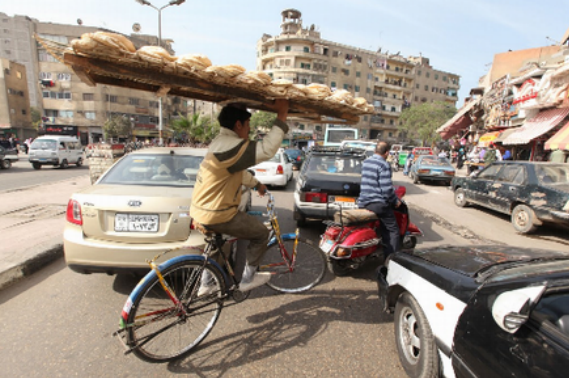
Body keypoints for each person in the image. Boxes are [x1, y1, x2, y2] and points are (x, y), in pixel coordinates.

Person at [190, 100, 289, 295]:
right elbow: (267, 150)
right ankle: (248, 279)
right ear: (238, 125)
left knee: (218, 244)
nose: (249, 131)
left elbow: (238, 173)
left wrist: (257, 184)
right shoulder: (232, 146)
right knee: (261, 233)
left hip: (200, 210)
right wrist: (282, 117)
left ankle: (206, 283)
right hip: (217, 213)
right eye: (248, 126)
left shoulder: (219, 143)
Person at [357, 141, 401, 263]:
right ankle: (391, 260)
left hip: (363, 202)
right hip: (377, 203)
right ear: (387, 152)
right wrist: (395, 201)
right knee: (392, 230)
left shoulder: (366, 162)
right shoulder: (383, 164)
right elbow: (386, 189)